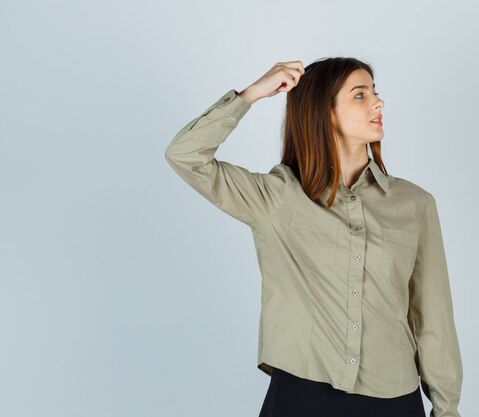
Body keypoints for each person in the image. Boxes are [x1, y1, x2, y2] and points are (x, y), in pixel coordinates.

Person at [164, 57, 463, 417]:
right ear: (325, 111)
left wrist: (446, 409)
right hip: (303, 397)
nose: (377, 103)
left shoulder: (415, 205)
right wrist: (251, 94)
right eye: (359, 95)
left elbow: (433, 320)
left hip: (393, 399)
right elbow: (185, 156)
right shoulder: (277, 198)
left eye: (375, 93)